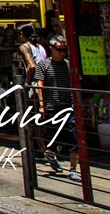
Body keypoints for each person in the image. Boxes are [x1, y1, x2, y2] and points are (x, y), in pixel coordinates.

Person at [35, 34, 81, 182]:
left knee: (73, 137)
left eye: (64, 50)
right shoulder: (43, 65)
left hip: (67, 106)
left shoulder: (68, 65)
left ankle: (73, 169)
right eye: (59, 49)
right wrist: (42, 105)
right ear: (51, 49)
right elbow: (39, 85)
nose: (62, 53)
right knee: (53, 138)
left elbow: (76, 83)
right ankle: (51, 154)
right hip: (51, 107)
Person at [18, 23, 48, 158]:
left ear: (23, 34)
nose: (19, 36)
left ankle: (41, 148)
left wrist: (26, 82)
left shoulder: (24, 47)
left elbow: (31, 66)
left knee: (32, 116)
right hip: (45, 83)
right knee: (41, 117)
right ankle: (44, 146)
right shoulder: (40, 47)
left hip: (34, 84)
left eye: (20, 33)